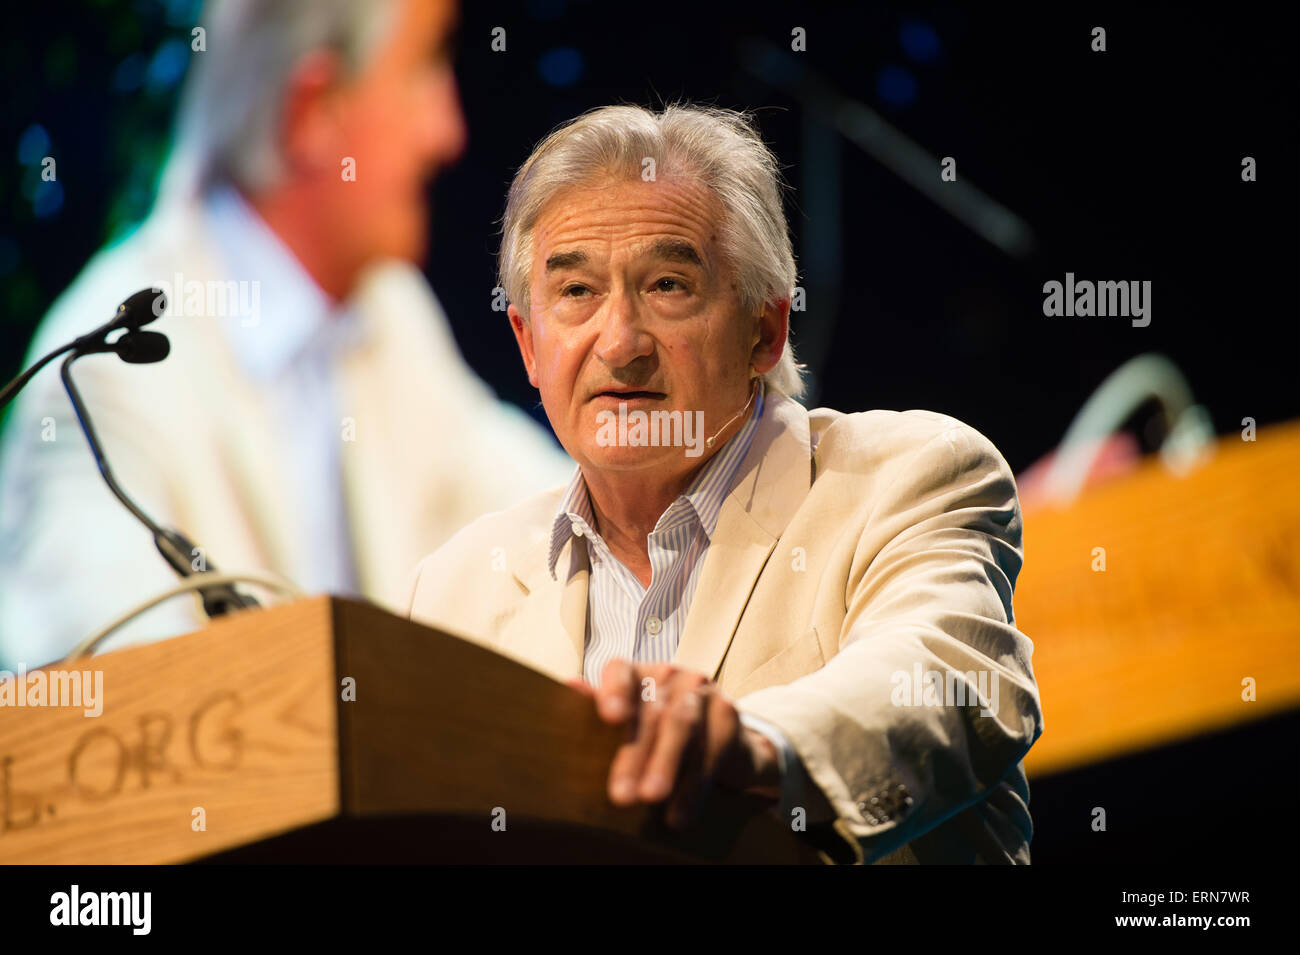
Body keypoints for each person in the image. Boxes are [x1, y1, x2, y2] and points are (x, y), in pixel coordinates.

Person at [407, 103, 1044, 864]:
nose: (619, 343)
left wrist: (754, 742)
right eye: (576, 293)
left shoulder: (911, 475)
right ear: (528, 345)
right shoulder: (451, 591)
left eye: (668, 284)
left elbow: (949, 683)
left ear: (764, 330)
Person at [0, 0, 572, 667]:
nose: (446, 132)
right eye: (423, 71)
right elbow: (112, 723)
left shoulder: (386, 316)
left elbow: (557, 518)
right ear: (313, 111)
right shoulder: (98, 379)